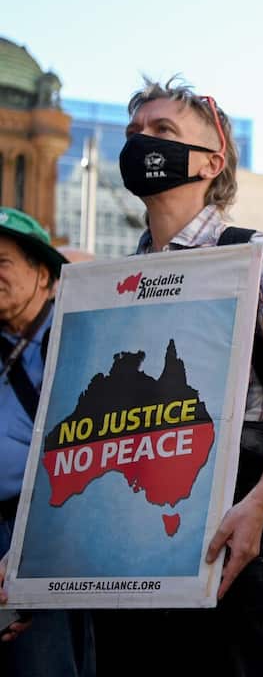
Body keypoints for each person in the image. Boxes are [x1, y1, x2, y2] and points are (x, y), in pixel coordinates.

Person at [86, 78, 263, 677]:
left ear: (211, 161)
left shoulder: (255, 254)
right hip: (129, 558)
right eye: (135, 132)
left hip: (233, 548)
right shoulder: (116, 282)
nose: (141, 141)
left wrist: (257, 508)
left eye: (163, 130)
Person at [0, 208, 94, 676]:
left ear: (42, 274)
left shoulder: (80, 337)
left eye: (2, 262)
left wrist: (28, 550)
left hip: (52, 537)